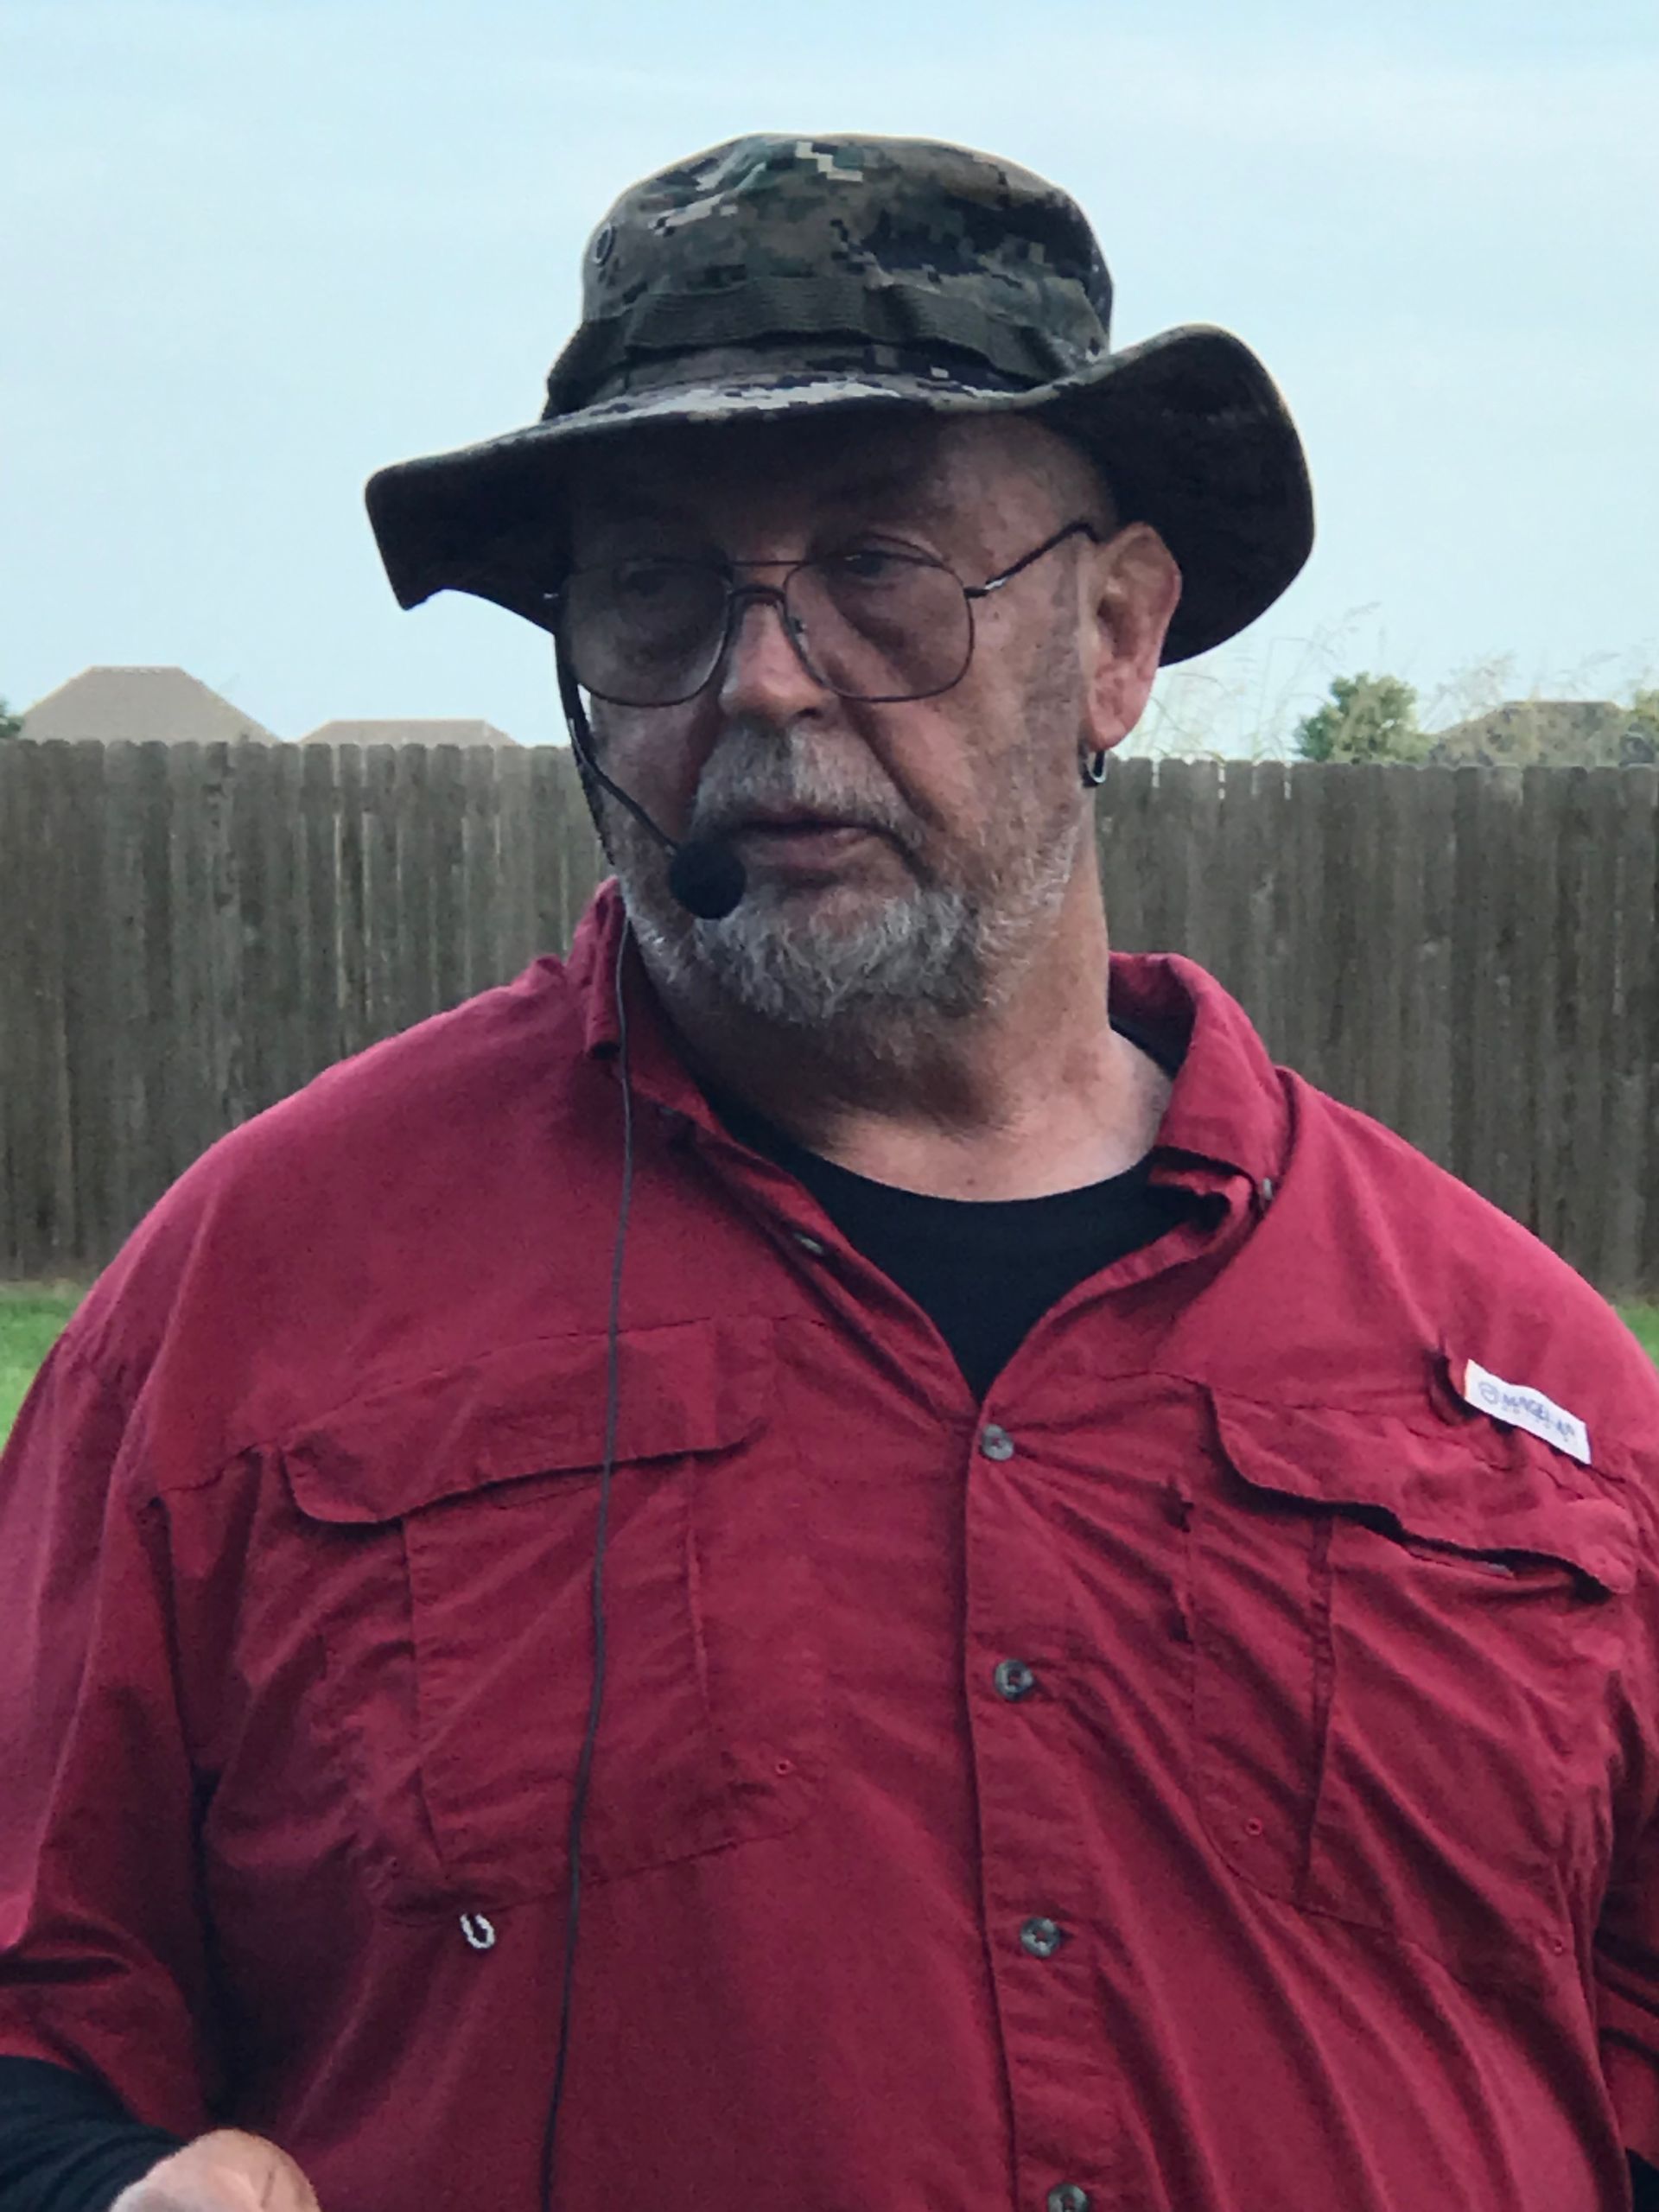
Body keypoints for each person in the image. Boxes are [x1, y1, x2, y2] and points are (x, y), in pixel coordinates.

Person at [2, 132, 1657, 2212]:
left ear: (1118, 633)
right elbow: (33, 2006)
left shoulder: (1523, 1375)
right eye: (659, 587)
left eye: (883, 566)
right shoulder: (260, 1295)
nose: (766, 676)